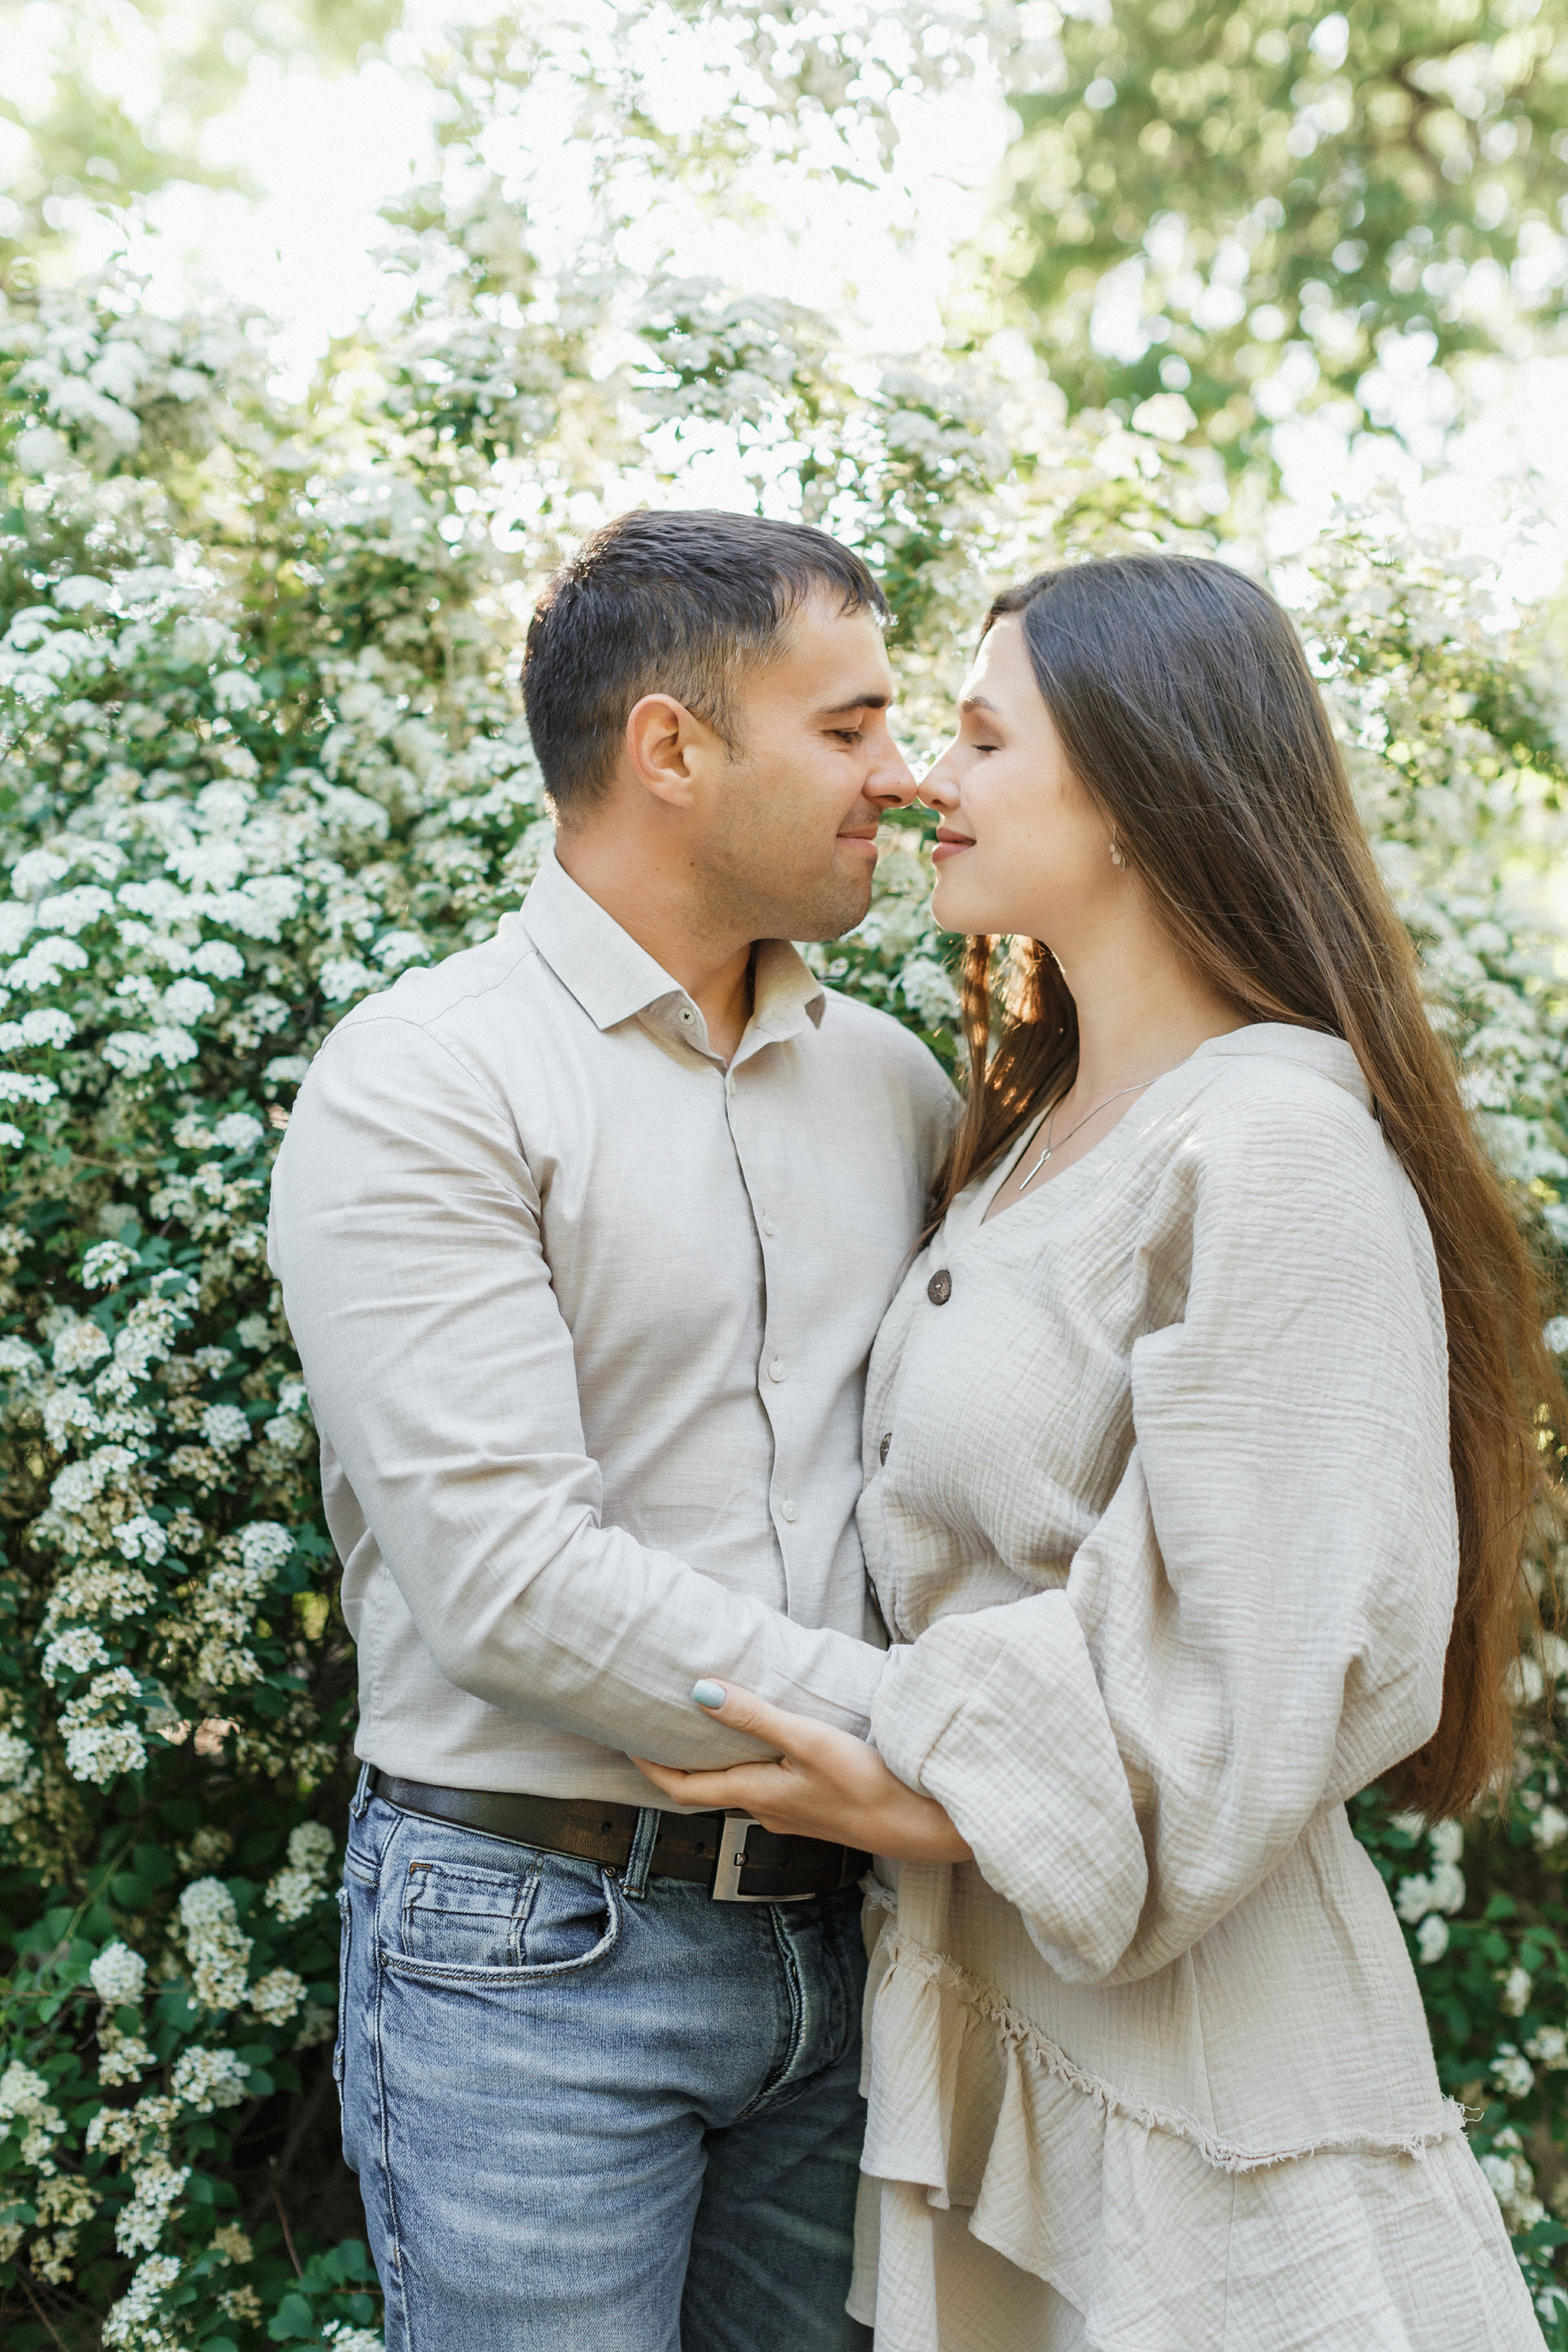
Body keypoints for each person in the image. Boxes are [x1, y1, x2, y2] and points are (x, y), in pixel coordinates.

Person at [635, 552, 1559, 2351]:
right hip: (1002, 2019)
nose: (920, 781)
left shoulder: (1273, 1149)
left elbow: (1265, 1662)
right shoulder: (1031, 1132)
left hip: (1206, 2085)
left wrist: (913, 1781)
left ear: (1139, 790)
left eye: (980, 740)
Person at [266, 507, 957, 2351]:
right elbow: (507, 1580)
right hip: (532, 1952)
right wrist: (956, 1751)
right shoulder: (428, 1081)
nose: (901, 777)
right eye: (849, 726)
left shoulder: (898, 1088)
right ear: (673, 747)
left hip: (856, 1951)